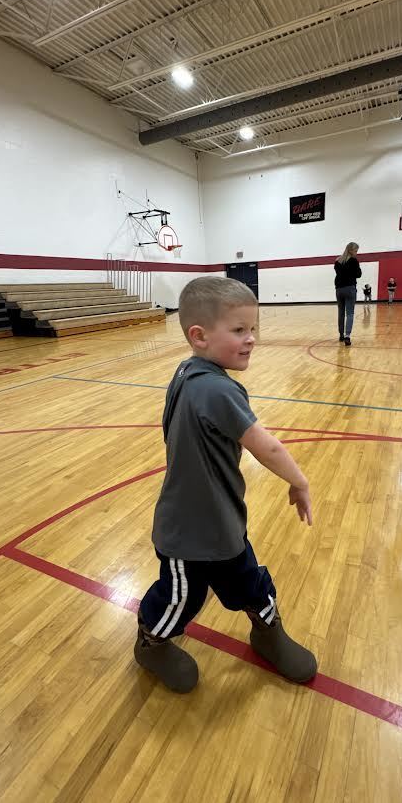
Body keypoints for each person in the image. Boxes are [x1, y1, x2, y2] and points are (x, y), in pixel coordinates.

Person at [134, 276, 317, 693]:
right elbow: (266, 448)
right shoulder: (218, 389)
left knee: (248, 581)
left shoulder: (188, 372)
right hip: (187, 532)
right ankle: (151, 642)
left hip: (222, 521)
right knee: (180, 598)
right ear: (198, 336)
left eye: (253, 329)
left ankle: (267, 632)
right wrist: (300, 482)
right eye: (238, 330)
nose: (251, 339)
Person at [334, 242, 361, 345]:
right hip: (350, 288)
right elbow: (358, 274)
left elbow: (338, 273)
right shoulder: (354, 261)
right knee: (349, 313)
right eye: (356, 251)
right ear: (351, 250)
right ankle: (347, 336)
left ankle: (341, 335)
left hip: (339, 289)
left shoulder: (338, 261)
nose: (356, 253)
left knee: (341, 312)